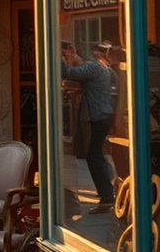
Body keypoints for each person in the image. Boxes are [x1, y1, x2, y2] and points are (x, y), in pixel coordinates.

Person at [61, 40, 116, 214]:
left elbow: (68, 73)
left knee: (94, 156)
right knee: (97, 155)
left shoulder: (94, 67)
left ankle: (107, 197)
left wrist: (60, 56)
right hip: (103, 115)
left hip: (97, 116)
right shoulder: (104, 67)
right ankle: (107, 194)